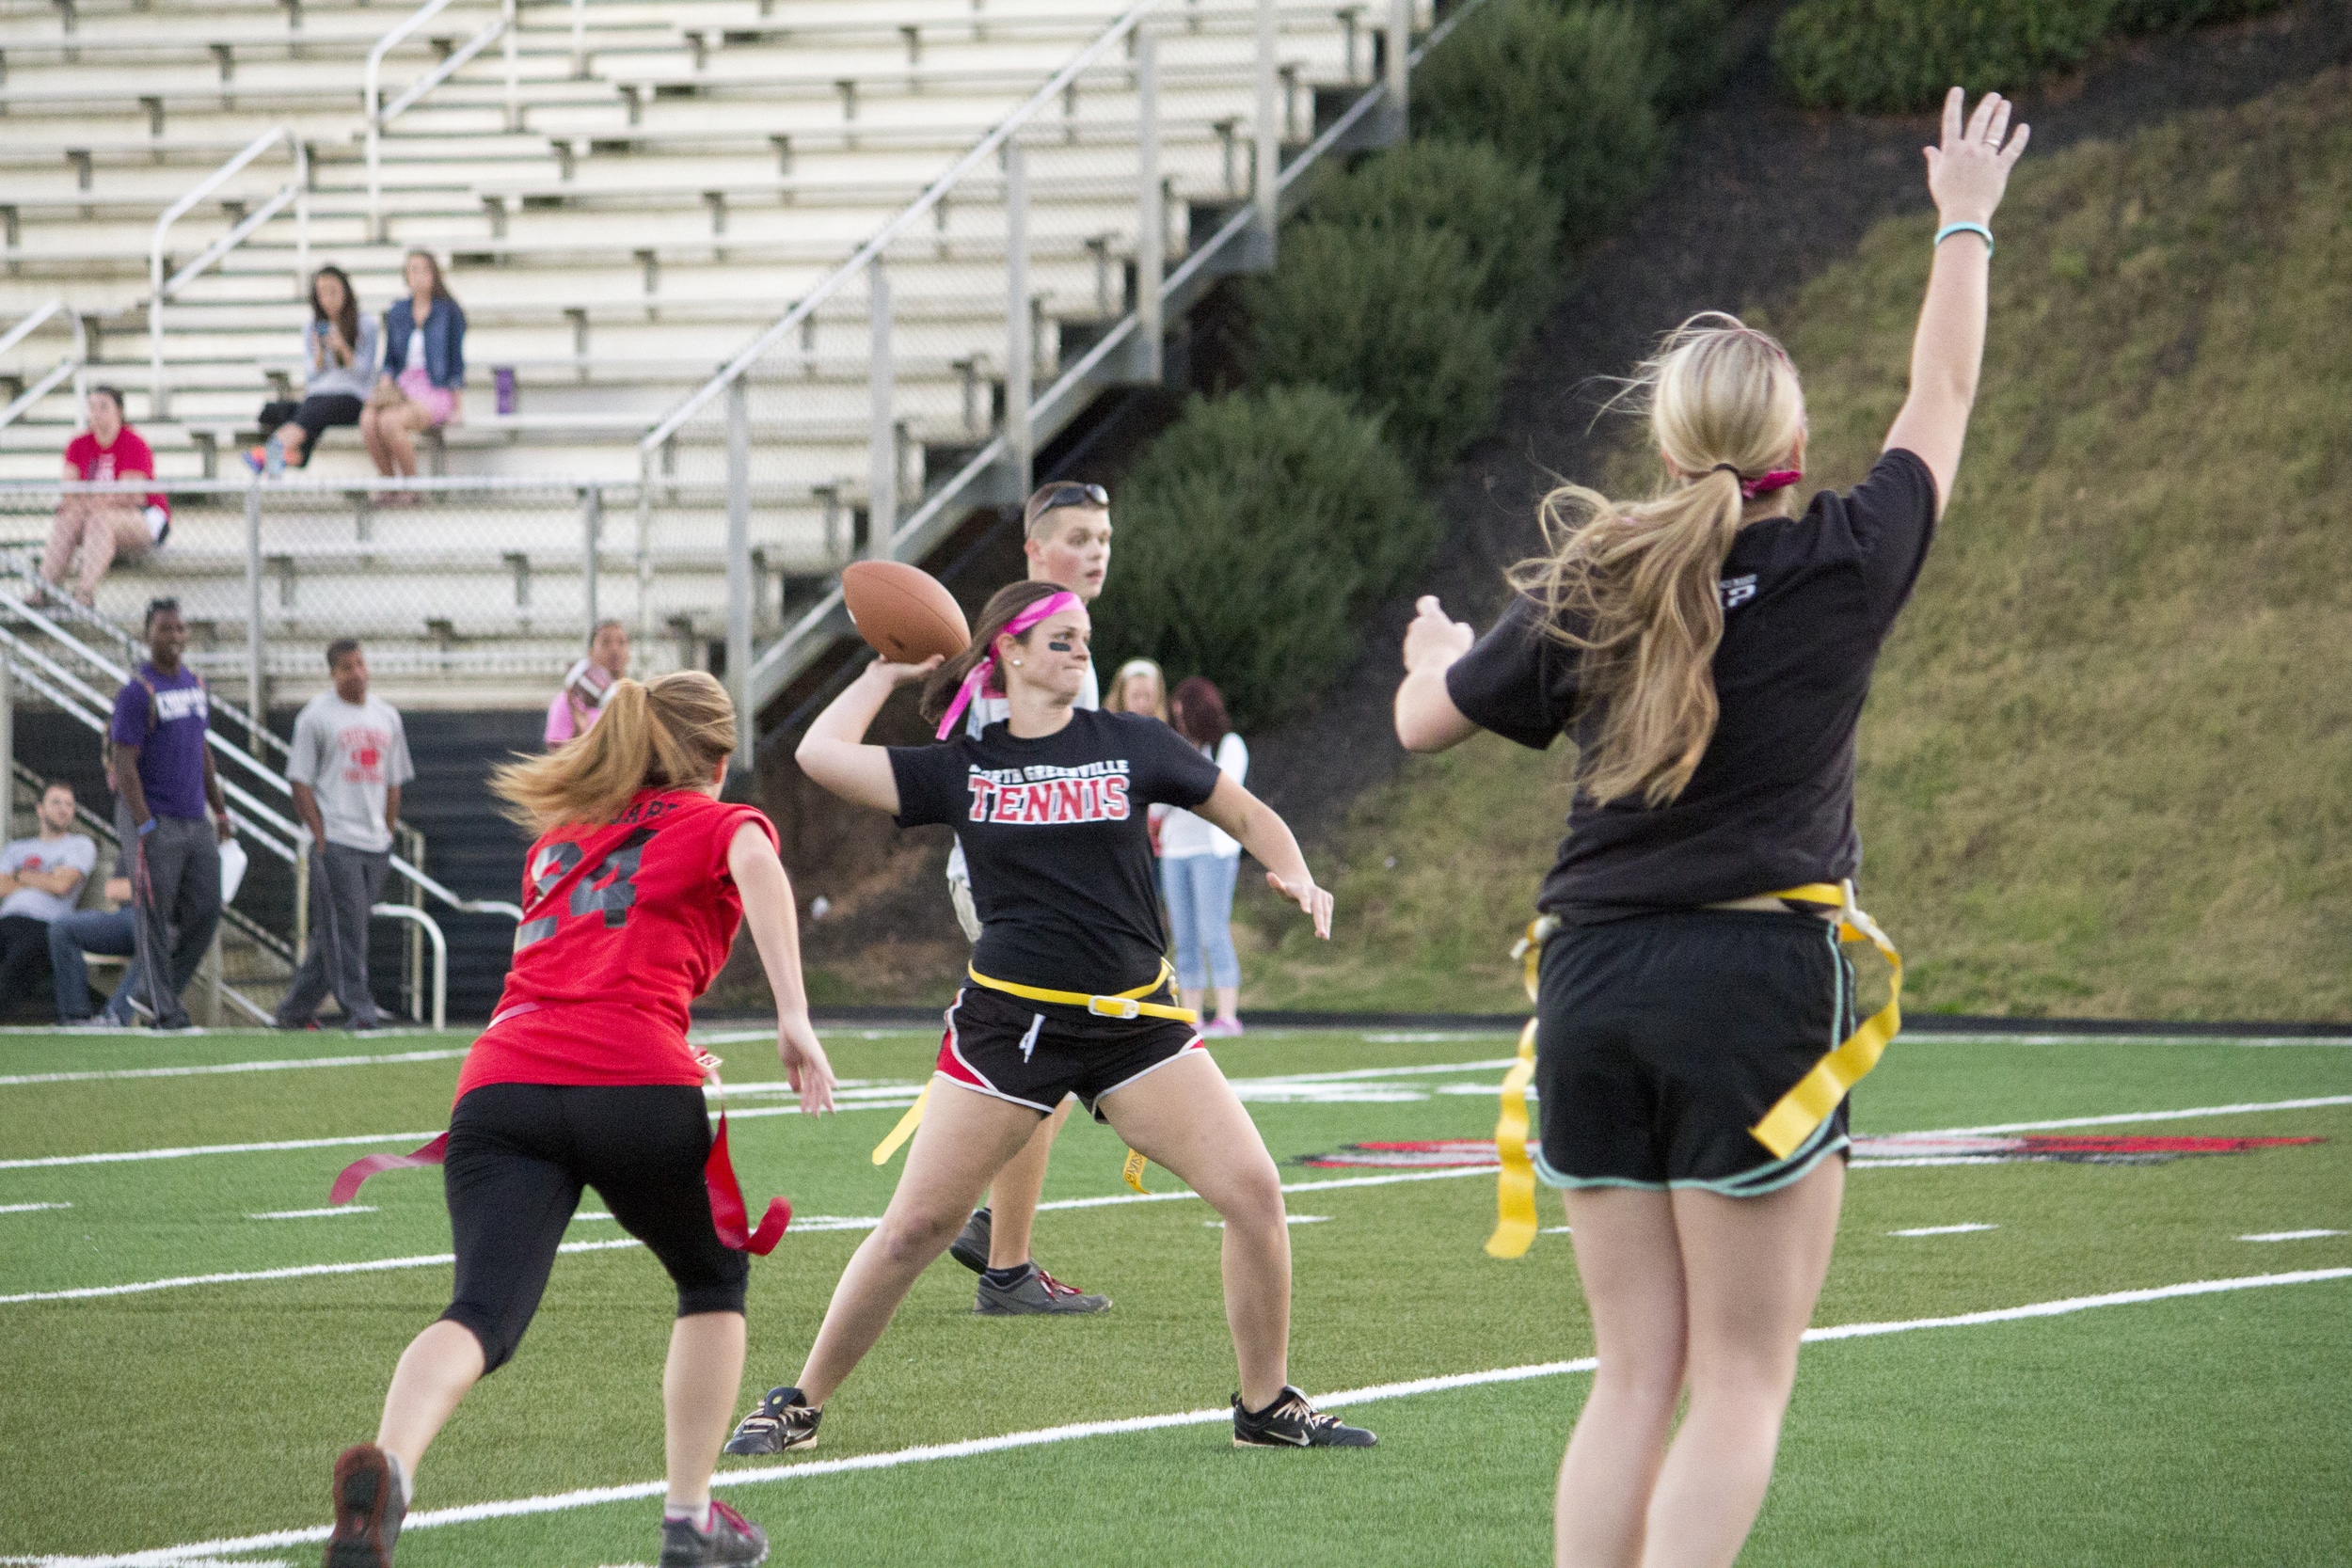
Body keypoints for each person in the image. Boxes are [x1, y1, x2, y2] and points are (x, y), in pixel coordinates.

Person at [1391, 89, 2026, 1568]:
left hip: (1592, 981)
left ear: (1666, 443)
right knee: (1742, 1376)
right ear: (1794, 435)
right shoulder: (1848, 553)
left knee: (1632, 1374)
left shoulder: (1600, 573)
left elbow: (1428, 721)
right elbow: (1943, 387)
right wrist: (1964, 213)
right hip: (1752, 980)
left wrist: (1431, 652)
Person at [726, 580, 1373, 1458]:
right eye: (1060, 638)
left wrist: (1295, 869)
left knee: (1254, 1192)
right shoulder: (965, 760)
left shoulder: (1133, 741)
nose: (1078, 651)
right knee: (917, 1226)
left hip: (1134, 1023)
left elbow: (1247, 813)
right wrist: (885, 670)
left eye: (1084, 638)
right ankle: (798, 1402)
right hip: (1010, 1027)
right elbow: (820, 752)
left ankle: (1266, 1405)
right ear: (1010, 653)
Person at [322, 671, 835, 1568]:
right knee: (711, 1280)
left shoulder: (561, 839)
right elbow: (756, 864)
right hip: (630, 1077)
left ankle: (393, 1466)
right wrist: (793, 1015)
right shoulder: (723, 820)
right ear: (718, 758)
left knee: (481, 1309)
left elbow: (585, 966)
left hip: (502, 1081)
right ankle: (690, 1520)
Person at [935, 481, 1119, 1313]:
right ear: (1033, 552)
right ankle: (1001, 1261)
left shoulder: (1065, 639)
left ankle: (992, 1237)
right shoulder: (1019, 647)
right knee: (1045, 1055)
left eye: (1104, 536)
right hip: (1013, 882)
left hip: (1047, 886)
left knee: (1048, 1058)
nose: (1096, 550)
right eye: (1077, 536)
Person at [276, 639, 414, 1033]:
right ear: (333, 673)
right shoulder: (315, 718)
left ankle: (294, 1009)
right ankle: (360, 1008)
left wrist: (387, 831)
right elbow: (299, 781)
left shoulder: (387, 717)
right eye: (347, 667)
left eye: (361, 664)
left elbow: (395, 780)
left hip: (375, 843)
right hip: (337, 839)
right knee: (349, 928)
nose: (358, 673)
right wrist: (319, 835)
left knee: (336, 930)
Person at [109, 597, 232, 1033]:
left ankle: (148, 996)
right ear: (148, 634)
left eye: (180, 629)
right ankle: (166, 1012)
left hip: (193, 816)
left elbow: (202, 751)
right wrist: (144, 823)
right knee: (154, 916)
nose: (176, 637)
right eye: (166, 629)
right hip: (153, 816)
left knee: (206, 909)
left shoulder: (195, 684)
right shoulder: (137, 691)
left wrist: (218, 810)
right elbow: (123, 760)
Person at [1159, 676, 1249, 1037]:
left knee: (1213, 929)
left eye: (1186, 716)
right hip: (1174, 851)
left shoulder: (1229, 746)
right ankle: (1191, 1014)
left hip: (1212, 850)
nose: (1180, 724)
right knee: (1184, 935)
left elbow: (1221, 789)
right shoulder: (1173, 747)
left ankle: (1227, 1014)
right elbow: (1162, 799)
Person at [40, 387, 169, 608]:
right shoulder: (78, 444)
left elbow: (132, 497)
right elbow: (69, 493)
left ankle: (84, 593)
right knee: (67, 520)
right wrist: (95, 501)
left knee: (99, 521)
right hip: (93, 517)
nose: (96, 413)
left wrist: (86, 501)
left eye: (103, 407)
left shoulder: (133, 443)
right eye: (92, 407)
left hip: (144, 516)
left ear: (118, 411)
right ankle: (42, 590)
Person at [247, 265, 379, 472]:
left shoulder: (365, 324)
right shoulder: (312, 327)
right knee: (280, 411)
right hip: (319, 396)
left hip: (350, 397)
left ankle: (269, 453)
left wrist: (343, 348)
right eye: (321, 293)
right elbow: (311, 376)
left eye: (333, 291)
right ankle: (294, 457)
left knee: (312, 410)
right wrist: (319, 352)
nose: (327, 299)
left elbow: (365, 373)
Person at [362, 249, 467, 495]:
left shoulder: (448, 312)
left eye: (423, 270)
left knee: (390, 422)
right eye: (413, 270)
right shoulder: (398, 312)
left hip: (434, 387)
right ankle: (389, 483)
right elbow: (390, 359)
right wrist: (386, 385)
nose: (418, 276)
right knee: (368, 421)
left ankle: (411, 487)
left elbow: (455, 360)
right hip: (403, 386)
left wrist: (458, 406)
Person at [0, 782, 96, 1021]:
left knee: (16, 962)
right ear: (40, 809)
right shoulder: (16, 848)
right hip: (7, 919)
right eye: (56, 802)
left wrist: (19, 875)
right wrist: (48, 877)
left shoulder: (80, 845)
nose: (63, 809)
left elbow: (61, 885)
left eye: (69, 804)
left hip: (45, 924)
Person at [48, 873, 145, 1028]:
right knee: (62, 929)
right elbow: (113, 889)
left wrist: (138, 888)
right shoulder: (134, 848)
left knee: (152, 939)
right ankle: (75, 1017)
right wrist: (155, 888)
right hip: (127, 916)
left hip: (160, 919)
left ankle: (115, 1017)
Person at [546, 620, 631, 747]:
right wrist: (579, 733)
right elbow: (557, 758)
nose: (615, 649)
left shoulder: (635, 700)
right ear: (590, 652)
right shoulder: (568, 702)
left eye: (621, 642)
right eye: (606, 642)